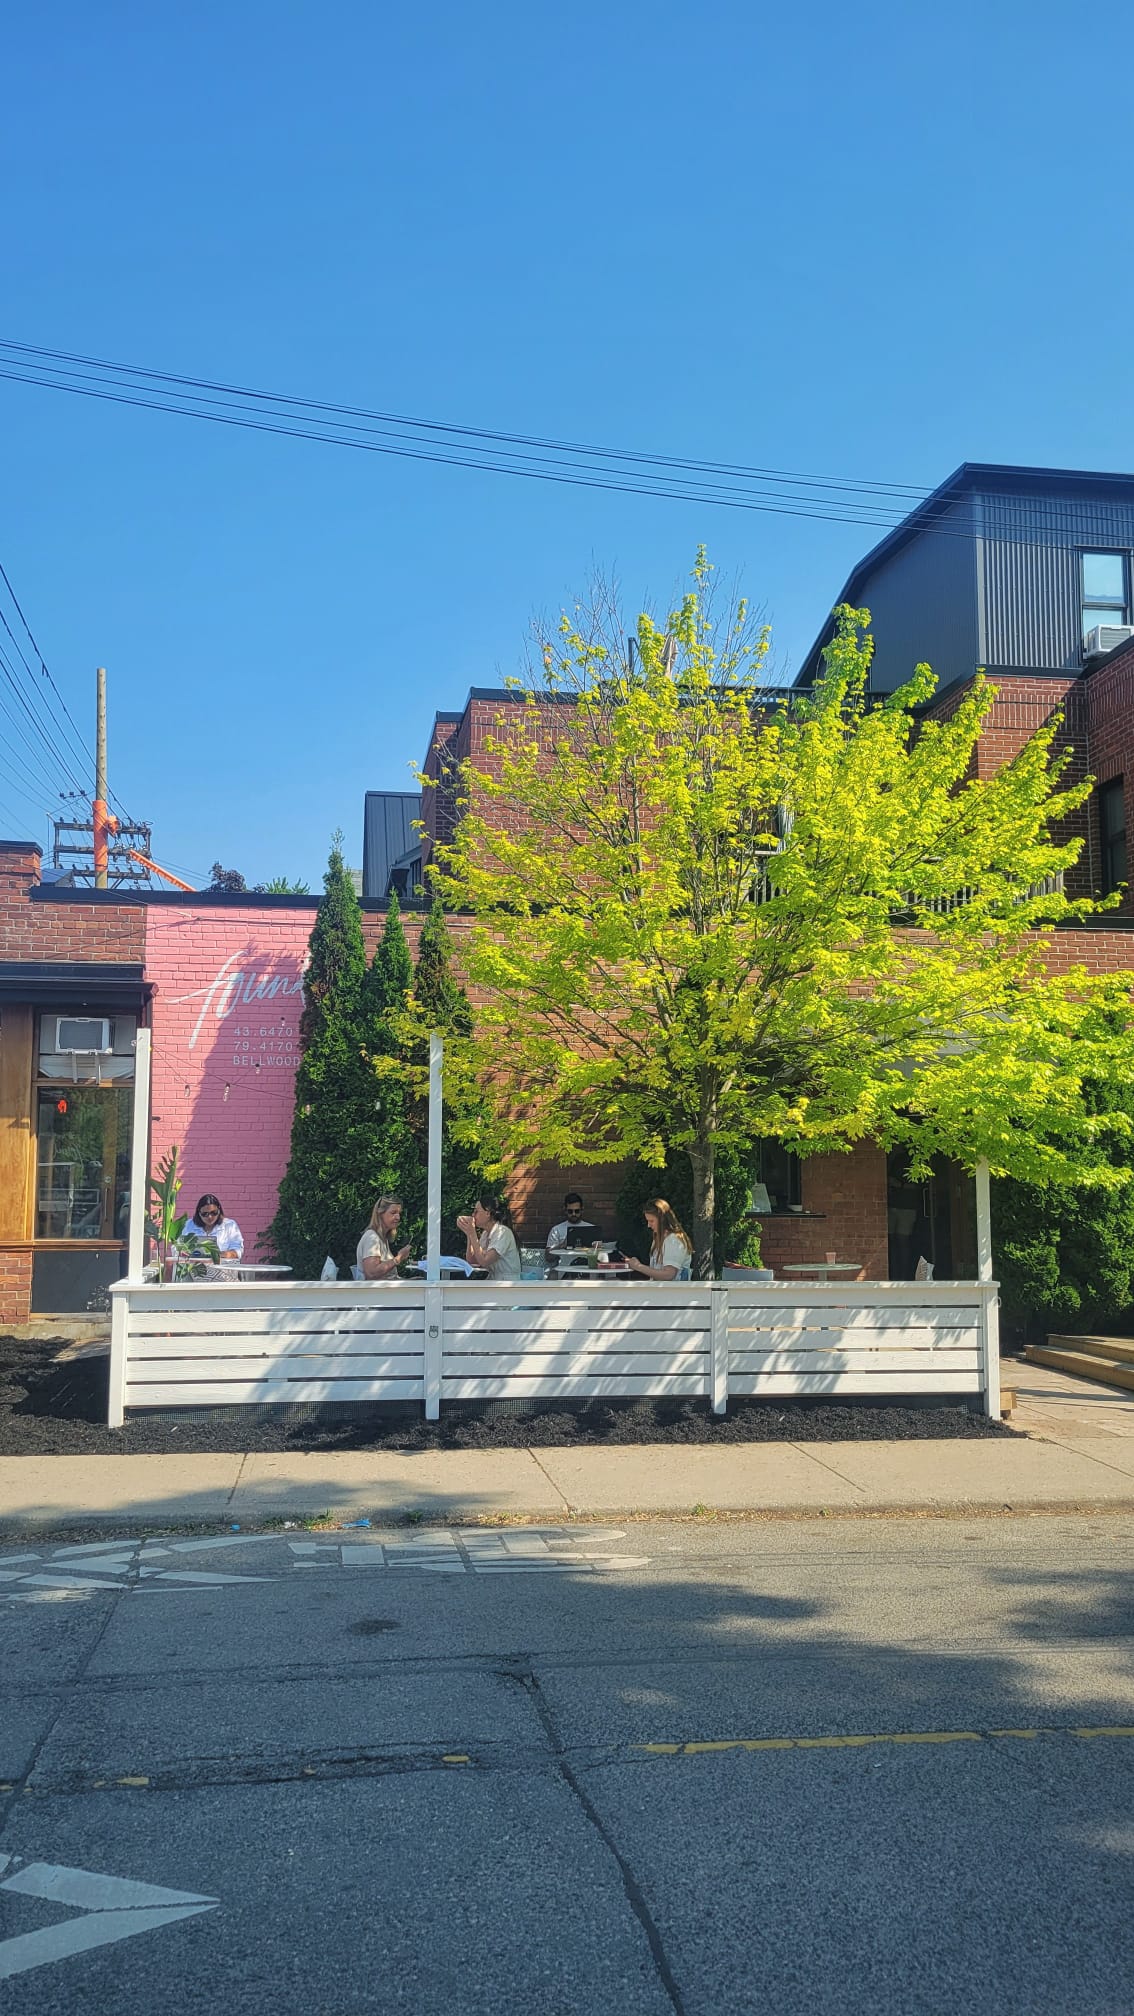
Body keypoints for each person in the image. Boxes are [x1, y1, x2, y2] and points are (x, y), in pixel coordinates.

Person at [456, 1192, 521, 1283]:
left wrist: (473, 1233)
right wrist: (469, 1234)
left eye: (476, 1211)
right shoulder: (486, 1233)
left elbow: (485, 1261)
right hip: (493, 1282)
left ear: (487, 1213)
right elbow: (473, 1260)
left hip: (507, 1284)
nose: (473, 1215)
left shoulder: (503, 1233)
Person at [624, 1198, 693, 1281]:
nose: (649, 1225)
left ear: (662, 1219)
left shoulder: (674, 1240)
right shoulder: (659, 1238)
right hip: (662, 1292)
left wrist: (638, 1266)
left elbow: (669, 1275)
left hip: (673, 1293)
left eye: (651, 1221)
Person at [357, 1195, 412, 1281]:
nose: (398, 1217)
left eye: (399, 1213)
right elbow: (372, 1273)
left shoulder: (382, 1238)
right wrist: (398, 1258)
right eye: (393, 1213)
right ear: (380, 1214)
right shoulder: (372, 1238)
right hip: (377, 1294)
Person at [184, 1194, 244, 1263]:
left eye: (213, 1213)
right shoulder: (188, 1225)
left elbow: (238, 1250)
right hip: (194, 1268)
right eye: (205, 1214)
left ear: (219, 1210)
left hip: (223, 1269)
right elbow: (177, 1247)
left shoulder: (230, 1225)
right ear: (199, 1213)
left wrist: (224, 1254)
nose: (210, 1217)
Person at [546, 1191, 601, 1255]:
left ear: (582, 1210)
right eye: (570, 1211)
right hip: (564, 1264)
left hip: (586, 1263)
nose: (573, 1214)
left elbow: (599, 1255)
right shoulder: (556, 1230)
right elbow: (548, 1256)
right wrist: (562, 1245)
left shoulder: (592, 1229)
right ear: (565, 1210)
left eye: (577, 1211)